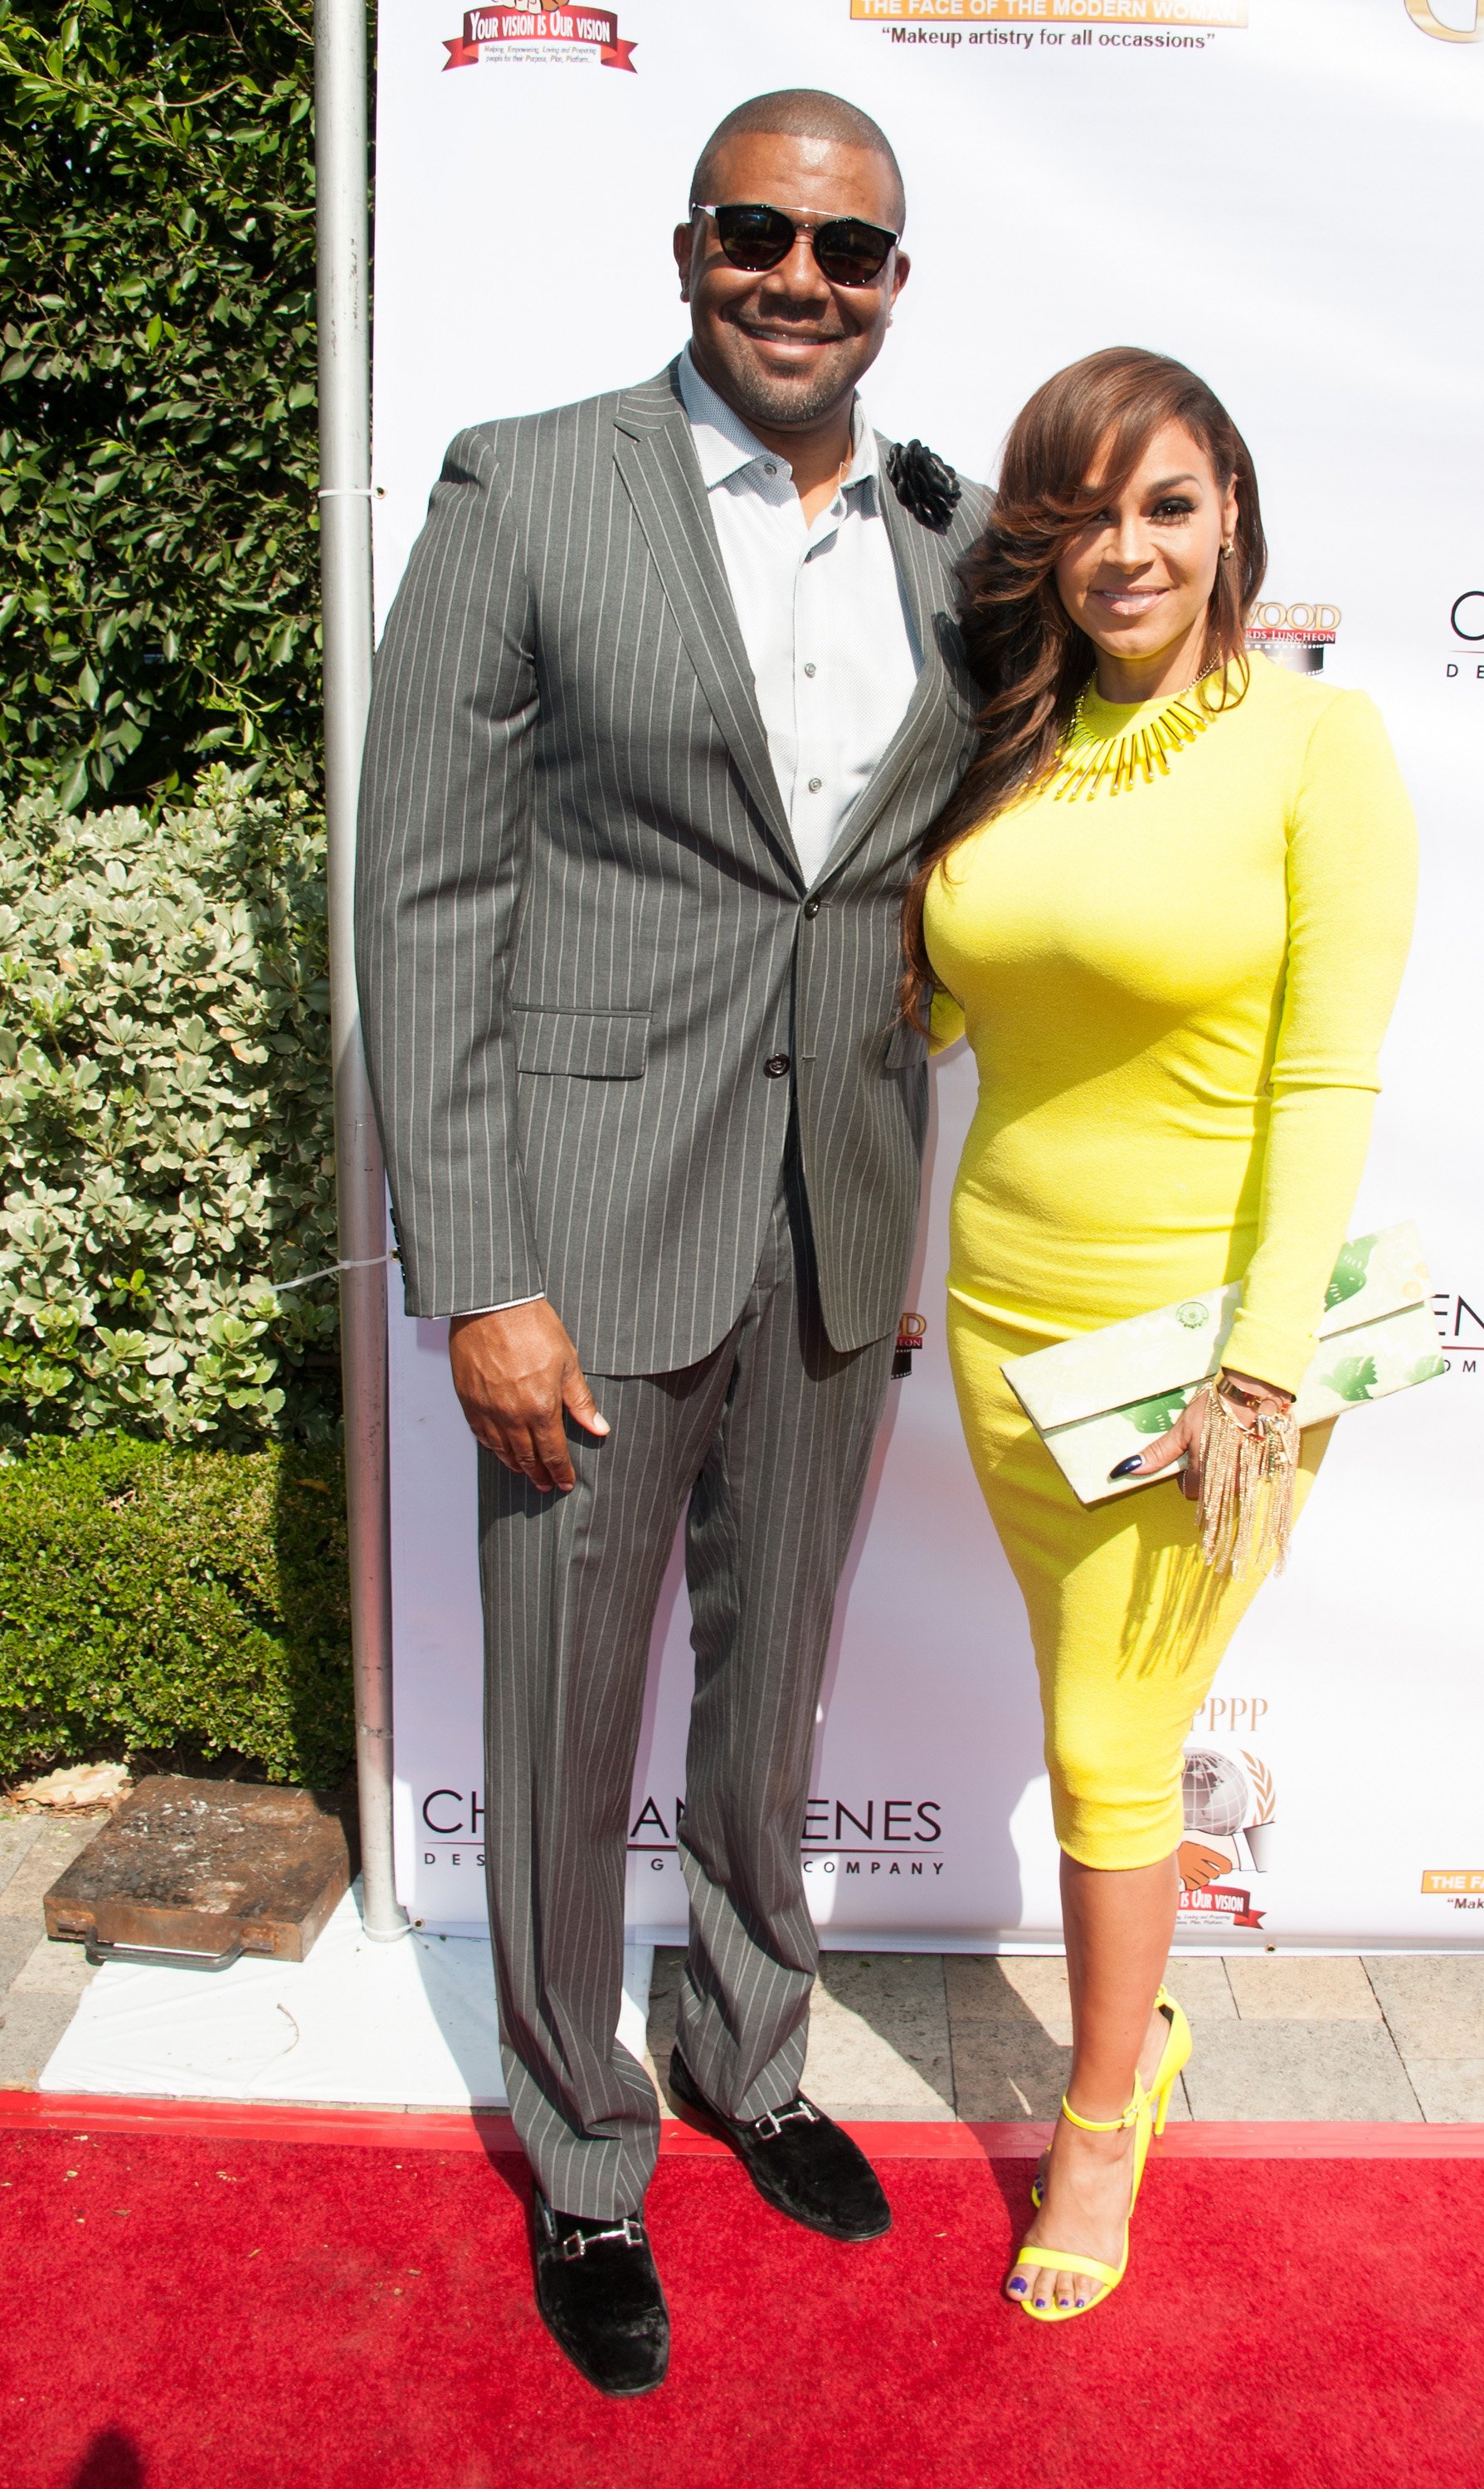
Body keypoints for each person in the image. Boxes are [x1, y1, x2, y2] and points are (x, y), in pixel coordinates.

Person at [356, 90, 985, 2396]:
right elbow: (420, 900)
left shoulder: (956, 543)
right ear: (692, 245)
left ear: (893, 283)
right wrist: (481, 1269)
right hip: (585, 1242)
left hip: (833, 1222)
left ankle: (746, 2050)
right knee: (557, 1708)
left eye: (847, 251)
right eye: (759, 233)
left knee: (773, 1685)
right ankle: (587, 2153)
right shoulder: (531, 486)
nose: (798, 280)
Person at [903, 348, 1415, 2322]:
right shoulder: (1008, 748)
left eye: (1167, 506)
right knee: (1086, 1707)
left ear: (1229, 521)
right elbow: (950, 1014)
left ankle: (1101, 2116)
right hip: (997, 1321)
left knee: (1106, 1741)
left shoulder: (1314, 747)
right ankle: (1136, 2052)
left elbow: (1325, 1087)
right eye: (1085, 512)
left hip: (1200, 1356)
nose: (1126, 549)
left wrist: (1263, 1372)